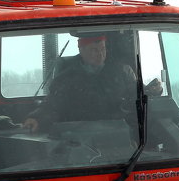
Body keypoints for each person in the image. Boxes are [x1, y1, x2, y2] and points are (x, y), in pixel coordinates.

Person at [23, 34, 161, 132]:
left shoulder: (121, 72)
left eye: (103, 49)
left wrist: (151, 91)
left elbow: (136, 94)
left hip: (118, 134)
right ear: (81, 50)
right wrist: (37, 118)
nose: (100, 54)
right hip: (80, 138)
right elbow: (52, 105)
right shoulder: (66, 79)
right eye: (94, 50)